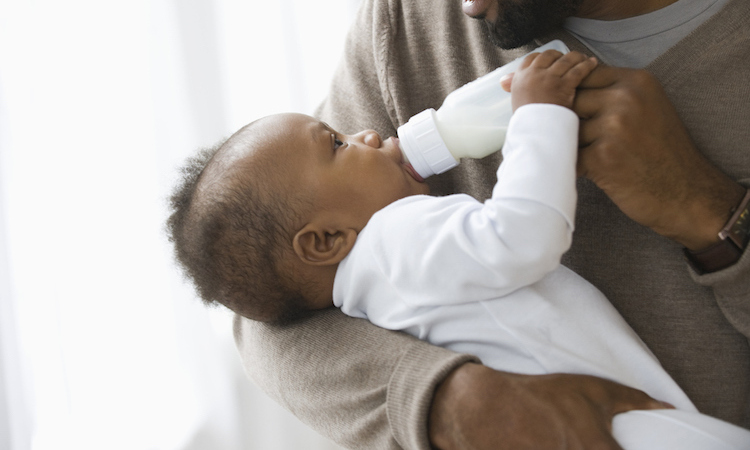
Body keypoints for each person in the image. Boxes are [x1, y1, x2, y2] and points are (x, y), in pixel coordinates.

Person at [169, 50, 750, 449]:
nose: (367, 133)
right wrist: (538, 116)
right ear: (323, 240)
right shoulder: (397, 241)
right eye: (339, 144)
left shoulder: (367, 288)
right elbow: (523, 236)